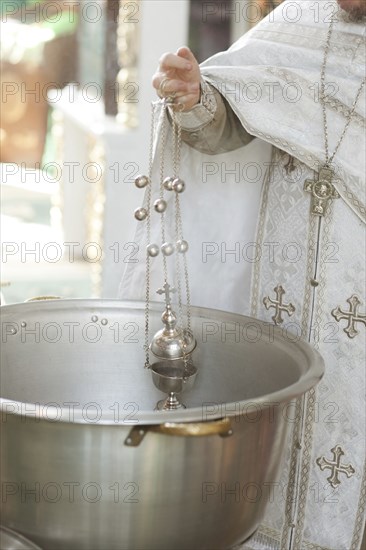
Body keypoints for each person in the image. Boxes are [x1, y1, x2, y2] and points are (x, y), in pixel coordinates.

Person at [121, 0, 365, 548]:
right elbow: (229, 126)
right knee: (272, 427)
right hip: (284, 289)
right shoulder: (297, 23)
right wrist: (195, 100)